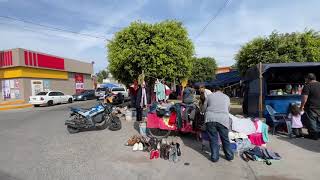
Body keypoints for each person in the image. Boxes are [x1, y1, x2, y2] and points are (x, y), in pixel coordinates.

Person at [202, 86, 233, 162]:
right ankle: (229, 156)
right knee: (225, 138)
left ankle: (215, 157)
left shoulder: (209, 96)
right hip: (223, 119)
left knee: (213, 139)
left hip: (210, 119)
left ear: (214, 90)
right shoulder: (227, 97)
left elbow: (204, 108)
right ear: (222, 90)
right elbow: (228, 109)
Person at [301, 73, 320, 140]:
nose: (305, 80)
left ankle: (314, 135)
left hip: (311, 107)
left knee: (312, 121)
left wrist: (301, 106)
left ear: (309, 79)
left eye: (306, 78)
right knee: (318, 121)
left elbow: (304, 99)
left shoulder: (307, 86)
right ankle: (318, 134)